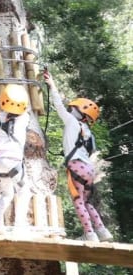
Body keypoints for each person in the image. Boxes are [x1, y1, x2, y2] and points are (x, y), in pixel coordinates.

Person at [43, 70, 112, 242]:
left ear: (80, 112)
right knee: (86, 201)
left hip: (76, 166)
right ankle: (102, 231)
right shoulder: (86, 130)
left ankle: (90, 234)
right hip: (88, 169)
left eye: (73, 108)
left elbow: (58, 105)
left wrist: (52, 85)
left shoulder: (72, 122)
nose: (70, 109)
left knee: (78, 201)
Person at [0, 84, 32, 231]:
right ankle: (20, 225)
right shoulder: (25, 118)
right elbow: (24, 109)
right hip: (13, 162)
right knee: (24, 191)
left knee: (7, 193)